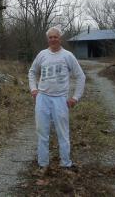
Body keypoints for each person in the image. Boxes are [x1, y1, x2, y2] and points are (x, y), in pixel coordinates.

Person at [28, 27, 86, 169]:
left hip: (60, 99)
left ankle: (66, 164)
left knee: (63, 133)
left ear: (60, 39)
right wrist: (34, 89)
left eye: (56, 37)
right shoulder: (42, 55)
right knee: (42, 133)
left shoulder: (68, 56)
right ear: (48, 39)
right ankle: (43, 164)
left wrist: (75, 97)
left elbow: (80, 76)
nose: (53, 39)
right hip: (42, 98)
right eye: (51, 37)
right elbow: (32, 72)